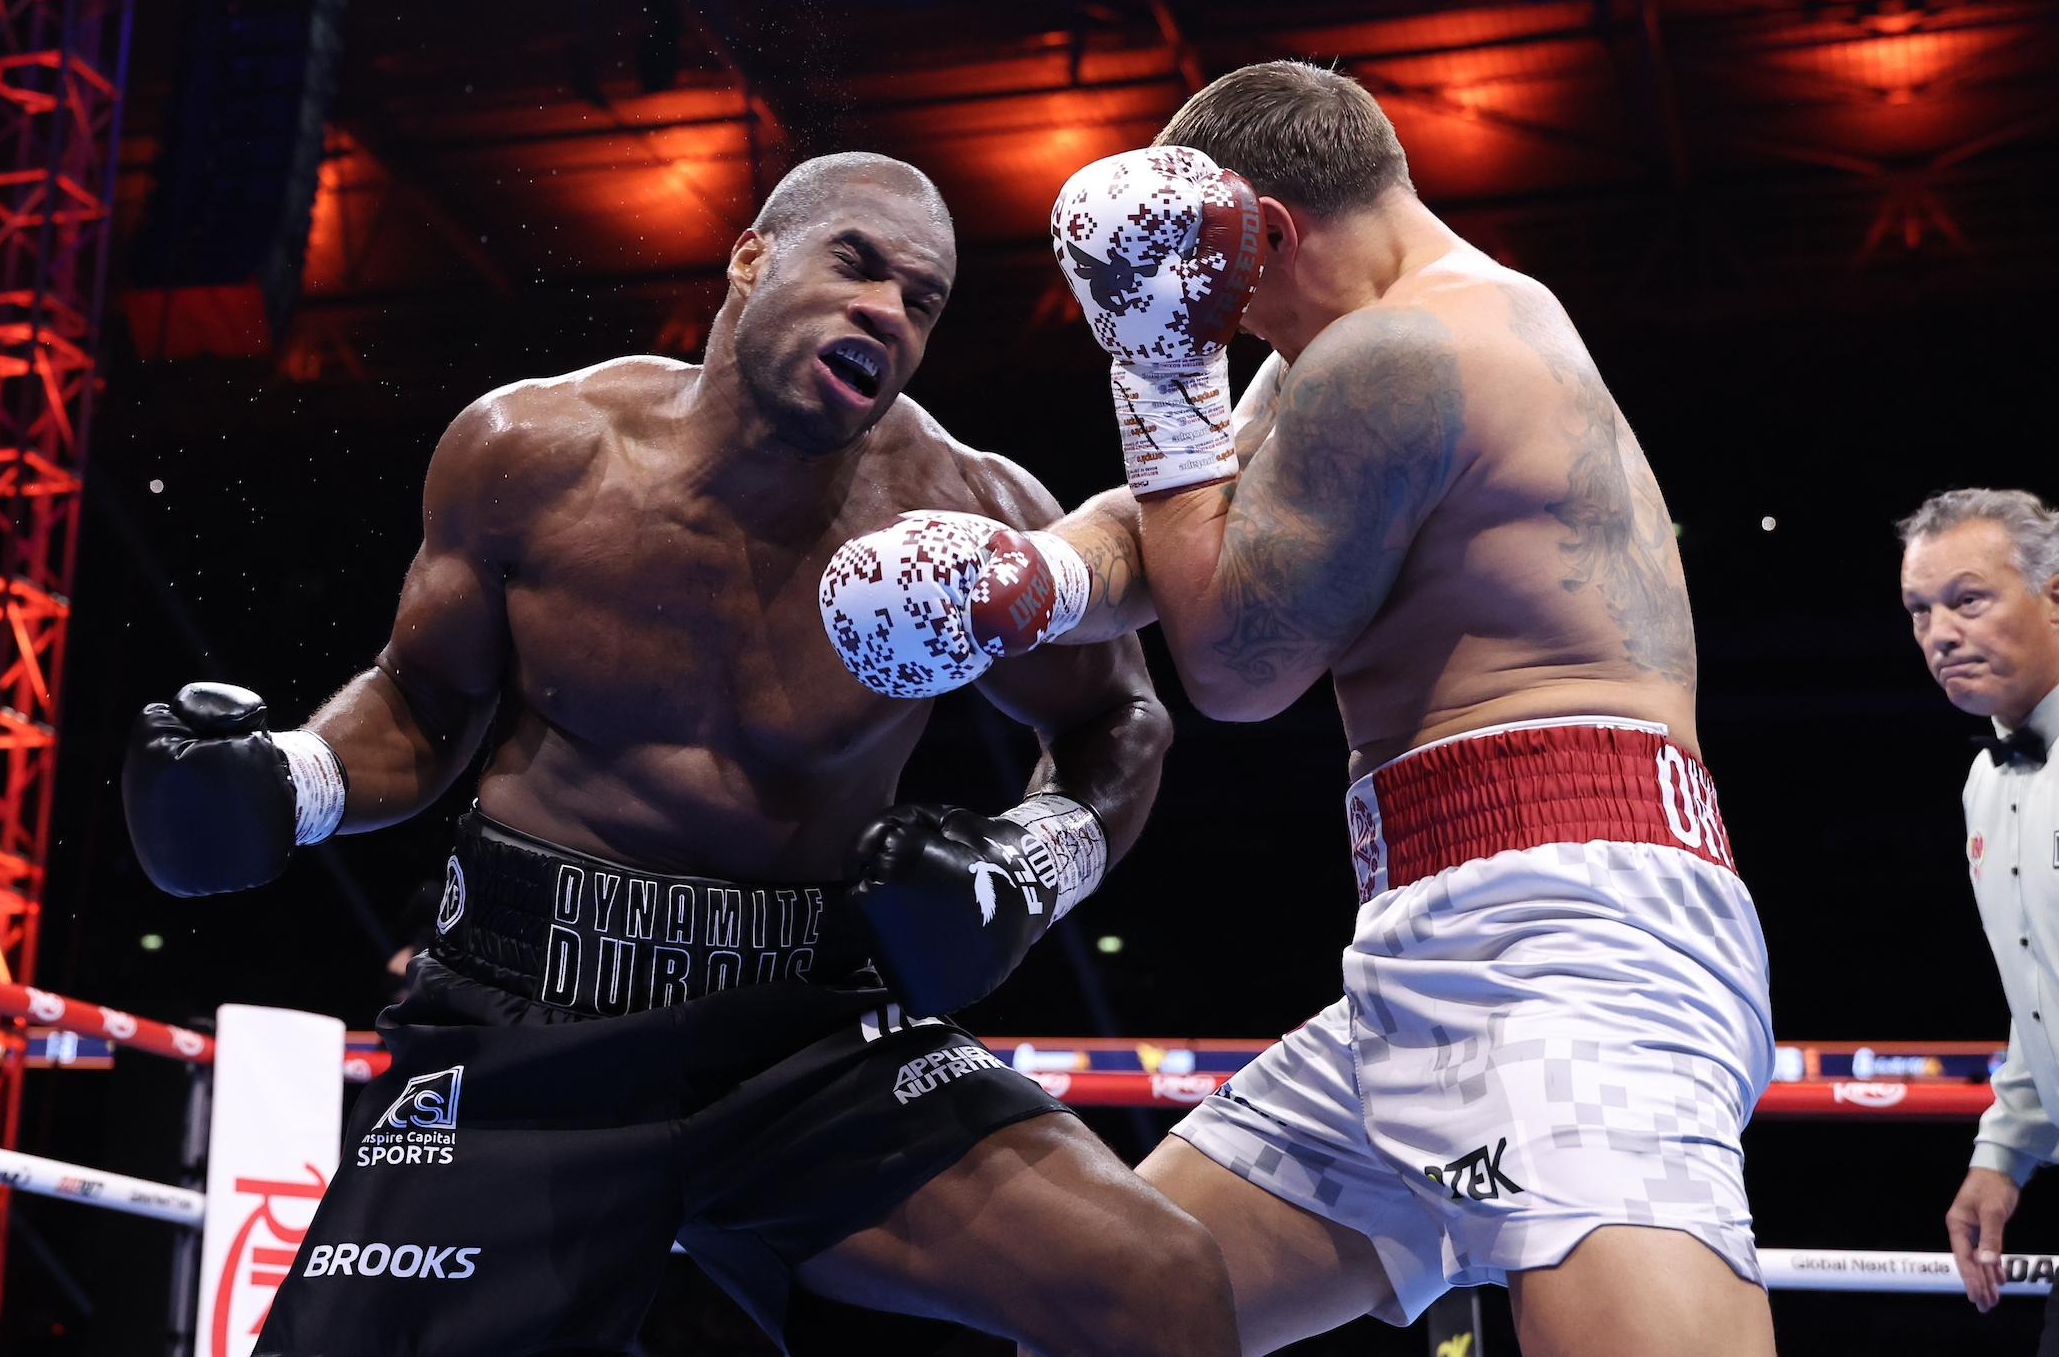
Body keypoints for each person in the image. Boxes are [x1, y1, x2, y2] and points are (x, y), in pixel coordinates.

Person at [118, 151, 1236, 1357]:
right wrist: (287, 781)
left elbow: (1119, 722)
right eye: (857, 264)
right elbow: (422, 697)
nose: (888, 313)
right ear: (751, 257)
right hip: (524, 1020)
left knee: (1157, 1281)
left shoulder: (964, 519)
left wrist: (1028, 865)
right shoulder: (535, 450)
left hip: (803, 1035)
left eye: (923, 301)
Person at [819, 65, 1775, 1354]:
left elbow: (1235, 668)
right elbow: (1186, 519)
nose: (1232, 324)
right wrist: (1028, 578)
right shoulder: (1361, 343)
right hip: (1431, 939)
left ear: (1260, 230)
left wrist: (1161, 364)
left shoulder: (1410, 349)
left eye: (1224, 290)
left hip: (1570, 947)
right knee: (1127, 1308)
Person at [1899, 489, 2059, 1336]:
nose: (1939, 635)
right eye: (1919, 611)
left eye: (1968, 599)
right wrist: (2004, 1152)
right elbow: (2042, 989)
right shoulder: (1987, 784)